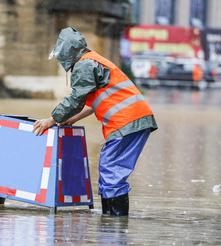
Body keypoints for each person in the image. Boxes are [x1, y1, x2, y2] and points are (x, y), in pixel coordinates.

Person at [32, 27, 158, 216]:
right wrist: (71, 119)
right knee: (109, 169)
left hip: (126, 121)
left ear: (67, 51)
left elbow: (76, 98)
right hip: (134, 119)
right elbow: (91, 103)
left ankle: (115, 227)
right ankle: (109, 224)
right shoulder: (94, 60)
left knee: (111, 171)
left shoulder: (84, 64)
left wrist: (52, 119)